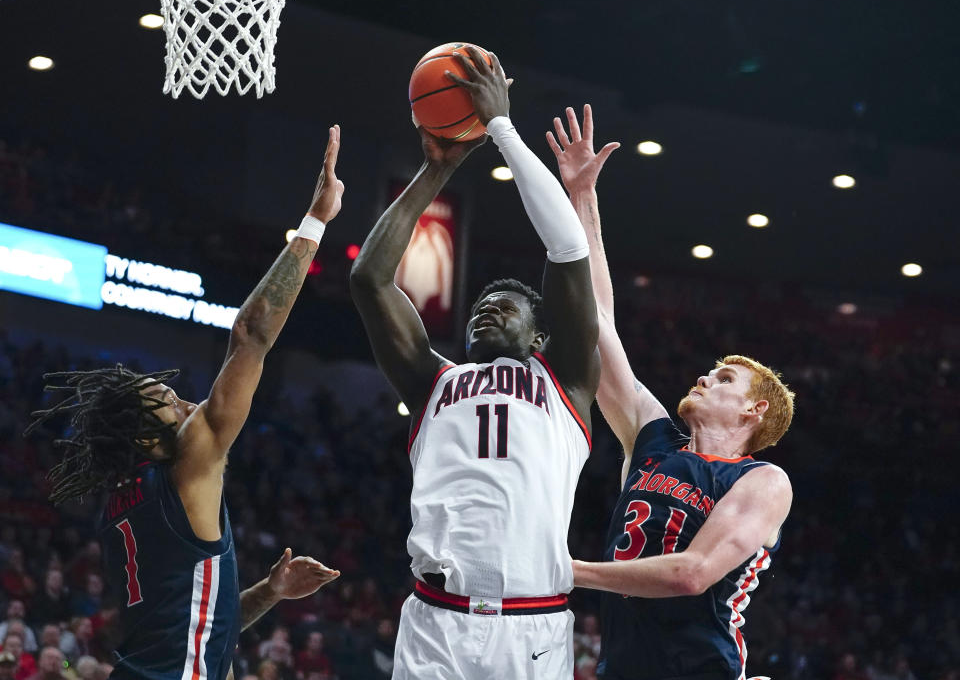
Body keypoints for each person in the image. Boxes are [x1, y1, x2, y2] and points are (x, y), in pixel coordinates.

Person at [25, 127, 346, 680]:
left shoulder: (118, 509)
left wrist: (270, 592)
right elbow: (249, 331)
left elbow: (191, 628)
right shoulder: (189, 464)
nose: (186, 401)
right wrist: (316, 220)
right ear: (149, 441)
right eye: (170, 404)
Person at [350, 46, 600, 679]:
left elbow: (568, 245)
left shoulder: (566, 379)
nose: (488, 308)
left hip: (531, 626)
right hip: (436, 622)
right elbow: (370, 279)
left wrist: (501, 128)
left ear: (542, 337)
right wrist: (435, 170)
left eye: (509, 305)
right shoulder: (434, 380)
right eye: (482, 302)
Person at [546, 105, 795, 680]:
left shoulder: (762, 481)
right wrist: (583, 199)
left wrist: (567, 569)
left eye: (725, 379)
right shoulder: (653, 437)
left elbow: (691, 573)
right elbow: (600, 321)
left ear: (754, 410)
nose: (705, 377)